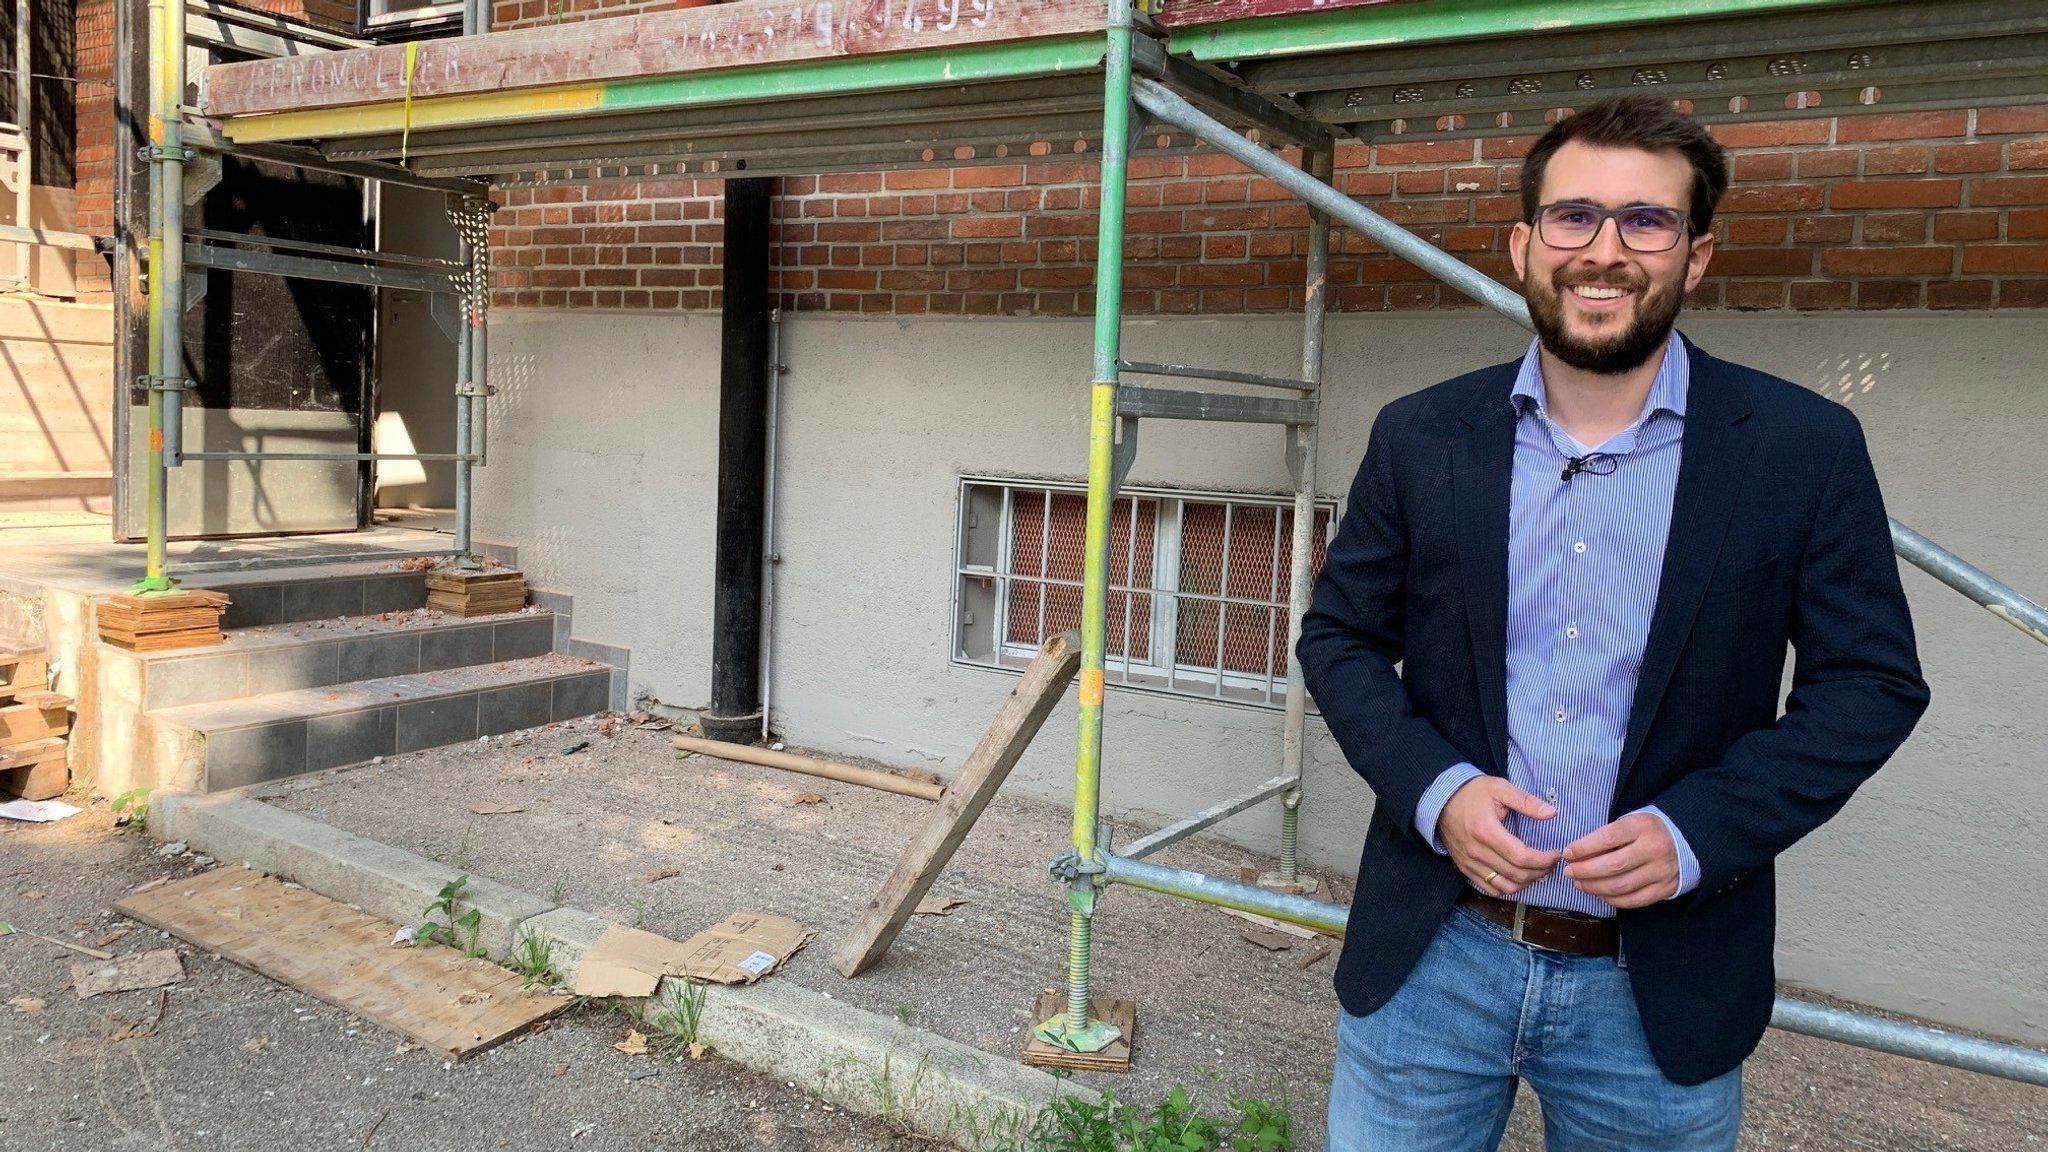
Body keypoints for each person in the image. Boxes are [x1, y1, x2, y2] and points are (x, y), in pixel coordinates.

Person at [1298, 95, 1930, 1151]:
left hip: (1657, 989)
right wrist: (1438, 793)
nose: (1603, 250)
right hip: (1431, 957)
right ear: (1521, 245)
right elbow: (1338, 639)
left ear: (1694, 258)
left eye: (1645, 222)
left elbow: (1869, 685)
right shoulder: (1419, 435)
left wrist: (1698, 834)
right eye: (1572, 217)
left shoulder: (1798, 448)